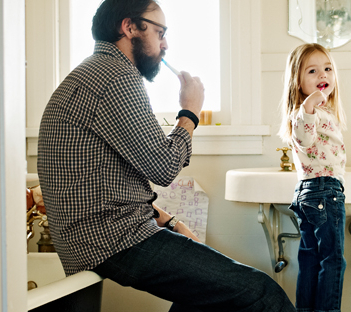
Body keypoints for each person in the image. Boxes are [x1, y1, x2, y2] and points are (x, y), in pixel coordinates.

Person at [37, 0, 296, 311]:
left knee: (201, 299)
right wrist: (190, 111)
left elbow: (108, 185)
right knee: (261, 292)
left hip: (91, 240)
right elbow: (164, 167)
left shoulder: (89, 75)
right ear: (129, 26)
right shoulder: (116, 77)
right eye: (159, 32)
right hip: (115, 241)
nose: (165, 43)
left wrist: (171, 222)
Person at [278, 43, 348, 312]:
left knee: (310, 259)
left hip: (308, 193)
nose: (323, 76)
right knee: (332, 260)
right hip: (325, 191)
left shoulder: (322, 113)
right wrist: (308, 108)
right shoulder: (306, 113)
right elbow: (304, 139)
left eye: (327, 69)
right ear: (297, 81)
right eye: (313, 71)